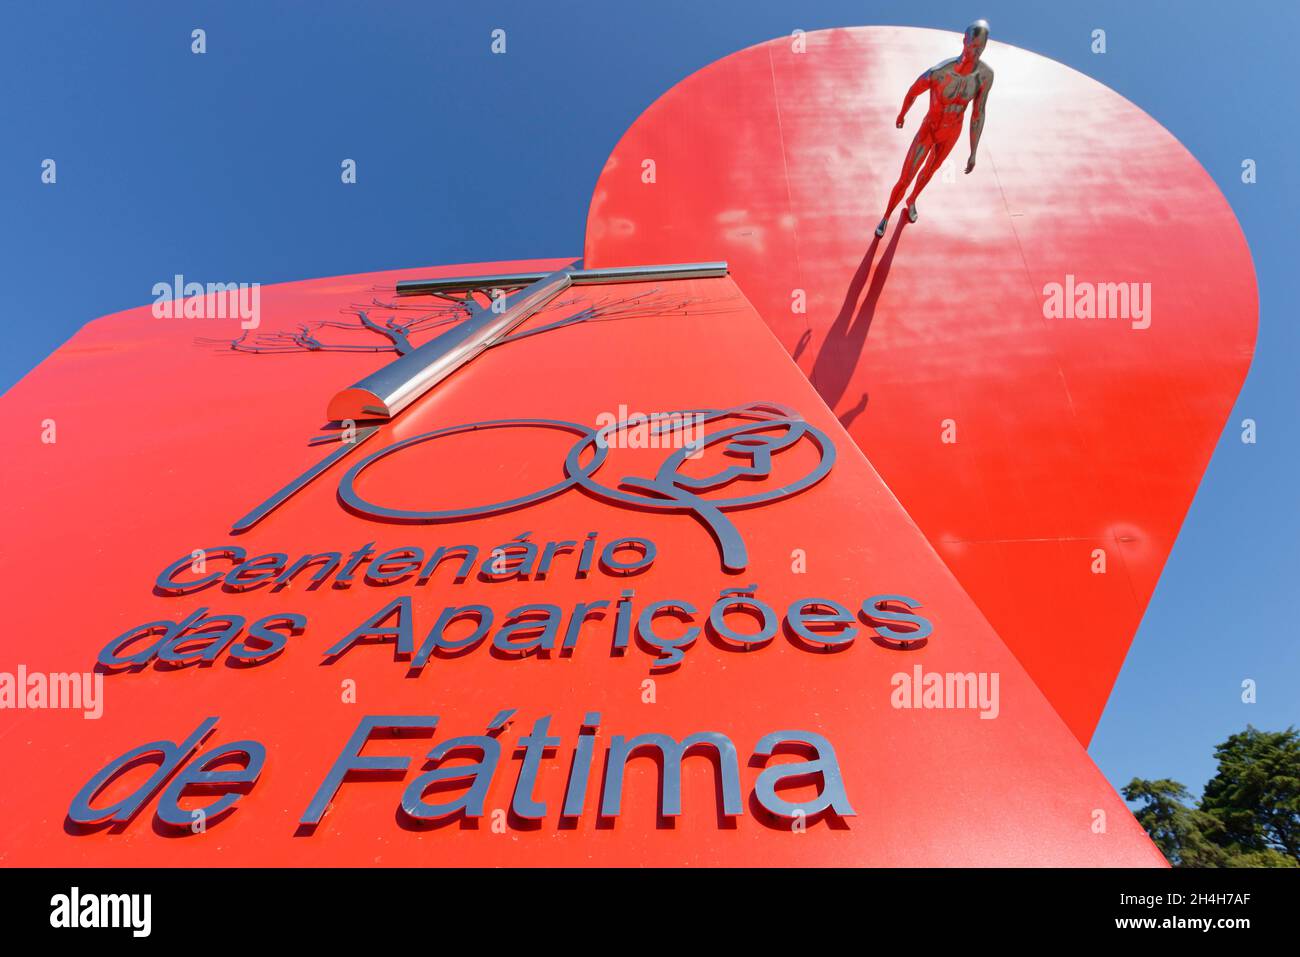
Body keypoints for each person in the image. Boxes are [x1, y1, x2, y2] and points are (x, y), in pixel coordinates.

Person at [875, 20, 994, 237]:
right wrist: (902, 114)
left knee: (929, 172)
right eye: (973, 46)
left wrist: (973, 150)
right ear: (964, 41)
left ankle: (912, 200)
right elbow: (913, 91)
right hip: (929, 129)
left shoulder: (984, 76)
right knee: (906, 176)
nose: (976, 52)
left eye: (981, 48)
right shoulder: (940, 72)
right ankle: (886, 216)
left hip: (951, 133)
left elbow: (978, 113)